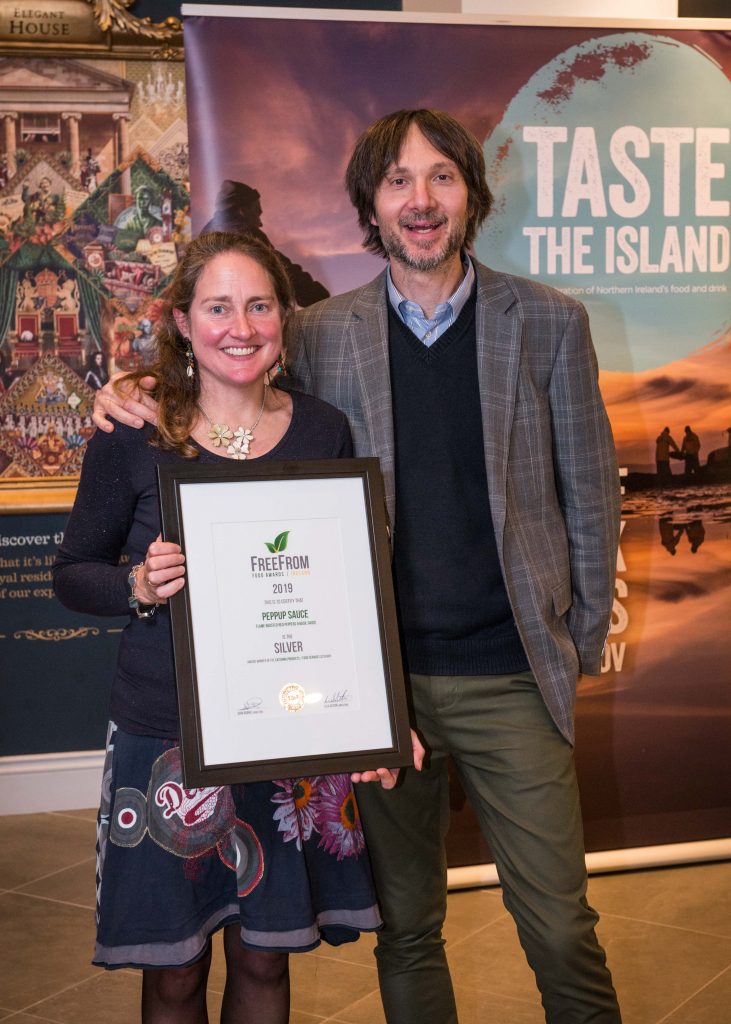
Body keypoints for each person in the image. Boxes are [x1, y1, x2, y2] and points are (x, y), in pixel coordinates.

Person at [92, 109, 622, 1024]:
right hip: (377, 690)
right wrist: (135, 386)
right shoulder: (321, 333)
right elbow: (229, 385)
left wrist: (572, 643)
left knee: (560, 927)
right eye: (397, 181)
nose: (420, 200)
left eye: (441, 177)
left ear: (471, 195)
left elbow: (590, 497)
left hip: (510, 677)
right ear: (370, 207)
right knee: (406, 930)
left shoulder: (548, 322)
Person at [55, 232, 404, 1024]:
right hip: (166, 735)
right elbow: (73, 573)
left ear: (284, 318)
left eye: (258, 306)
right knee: (175, 970)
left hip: (290, 735)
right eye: (217, 308)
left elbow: (347, 589)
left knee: (266, 957)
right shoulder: (134, 431)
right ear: (182, 321)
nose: (240, 328)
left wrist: (371, 718)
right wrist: (137, 584)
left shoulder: (323, 430)